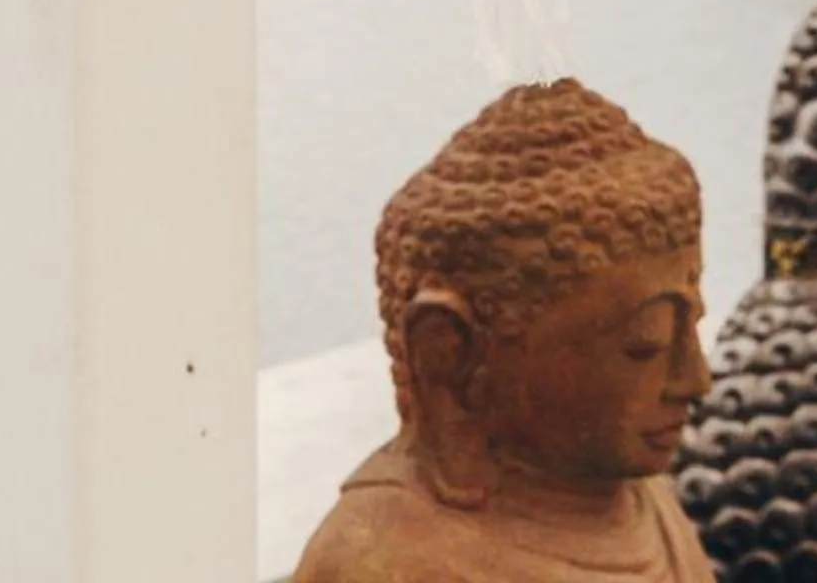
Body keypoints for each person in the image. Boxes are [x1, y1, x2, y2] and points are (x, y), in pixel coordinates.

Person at [293, 80, 717, 582]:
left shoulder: (645, 500)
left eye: (689, 328)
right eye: (645, 344)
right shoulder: (384, 559)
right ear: (453, 359)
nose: (695, 380)